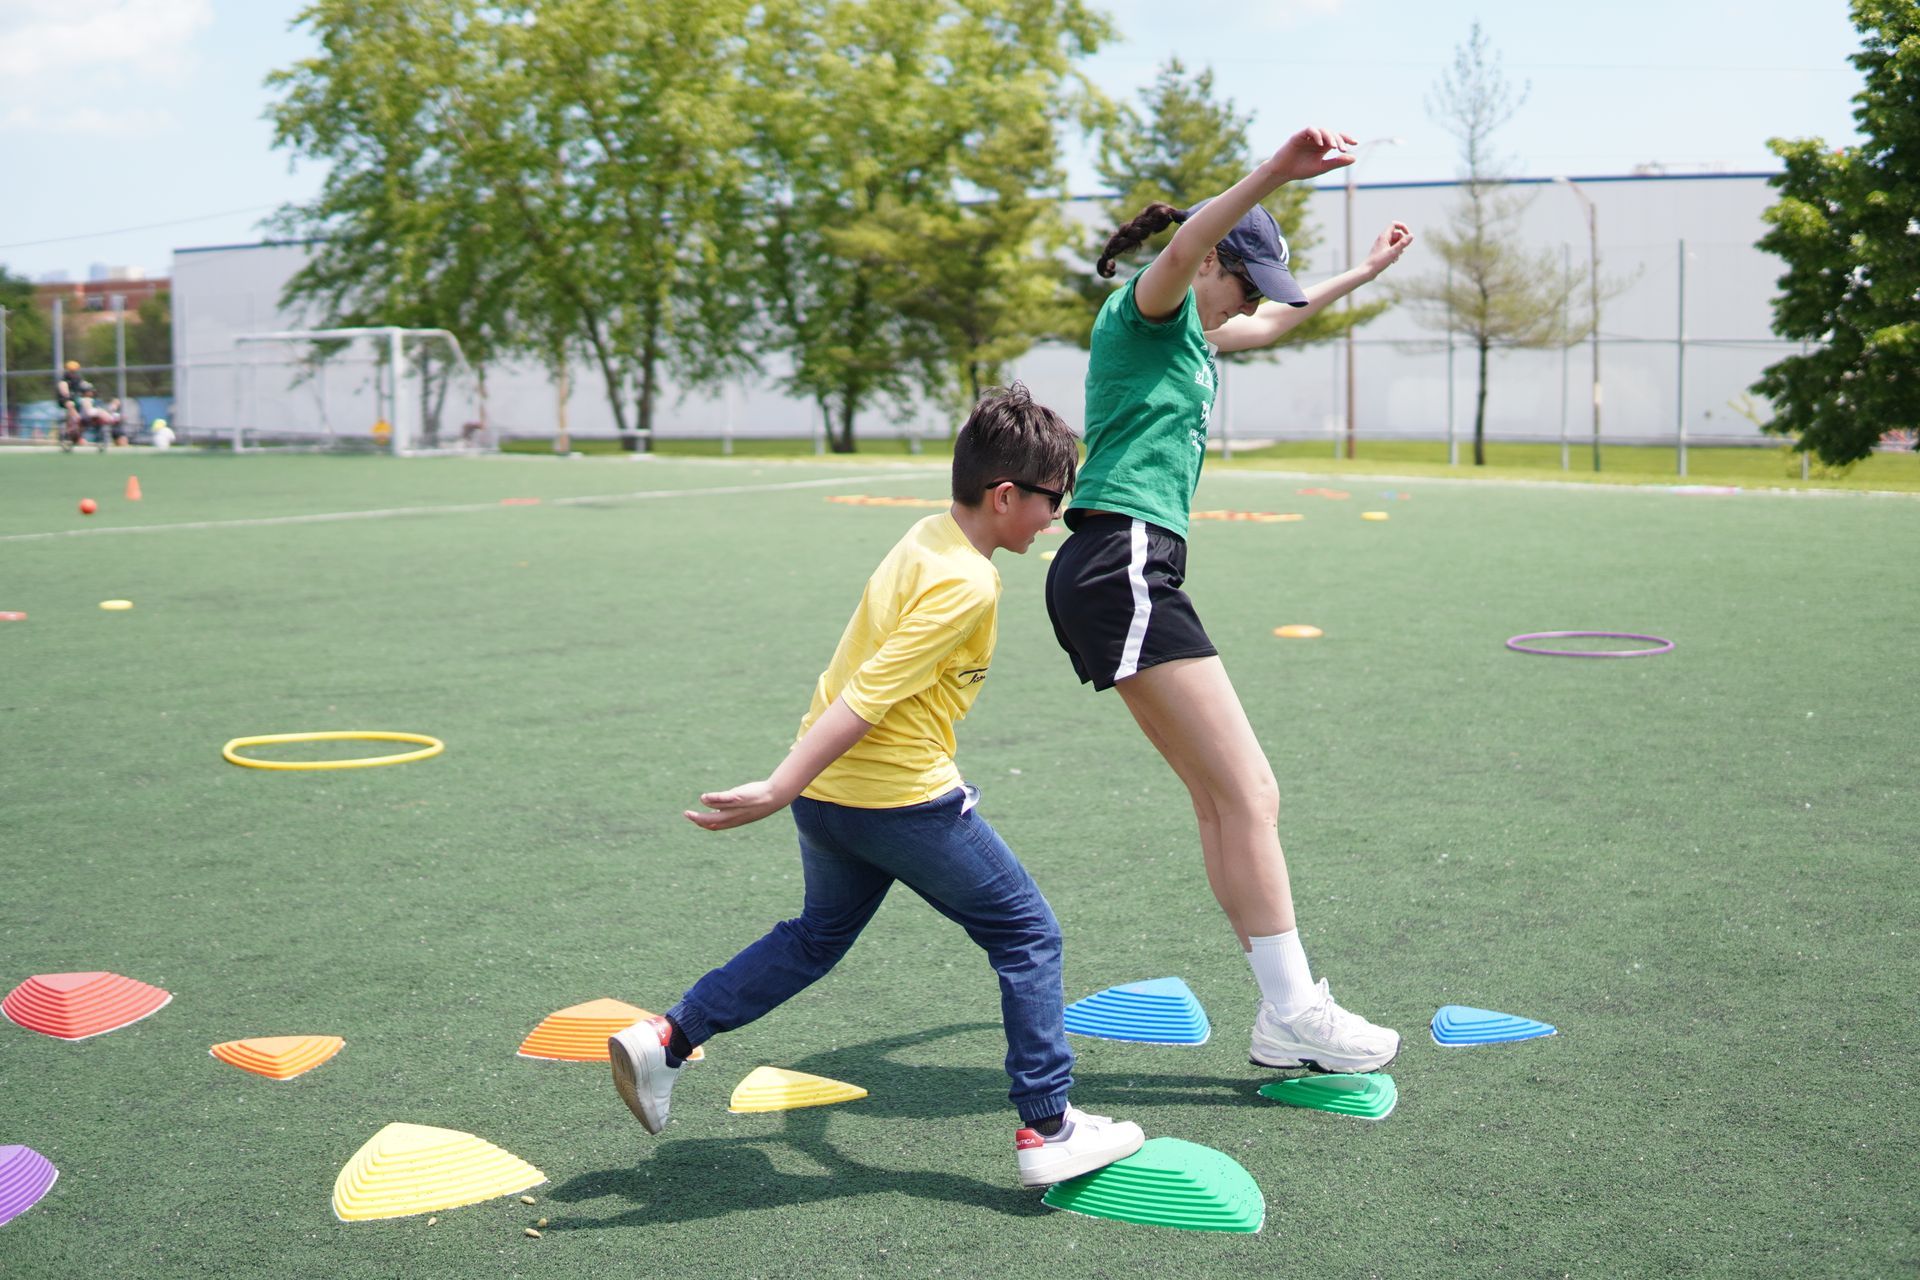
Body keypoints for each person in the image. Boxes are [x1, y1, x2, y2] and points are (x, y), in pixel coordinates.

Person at [609, 384, 1145, 1189]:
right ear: (1005, 496)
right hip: (896, 799)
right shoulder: (970, 581)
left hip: (835, 798)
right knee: (1028, 935)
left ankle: (670, 1038)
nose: (1054, 517)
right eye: (1051, 501)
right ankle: (1048, 1127)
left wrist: (803, 782)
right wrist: (780, 786)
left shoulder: (926, 536)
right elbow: (871, 693)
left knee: (816, 937)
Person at [1044, 127, 1414, 1074]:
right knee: (1249, 792)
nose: (1249, 301)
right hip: (1119, 558)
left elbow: (1280, 322)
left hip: (1128, 567)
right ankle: (1295, 1012)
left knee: (1224, 800)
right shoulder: (1148, 307)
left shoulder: (1199, 341)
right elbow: (1177, 253)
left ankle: (1283, 1014)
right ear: (1211, 258)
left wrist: (1360, 275)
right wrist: (1275, 175)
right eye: (1242, 280)